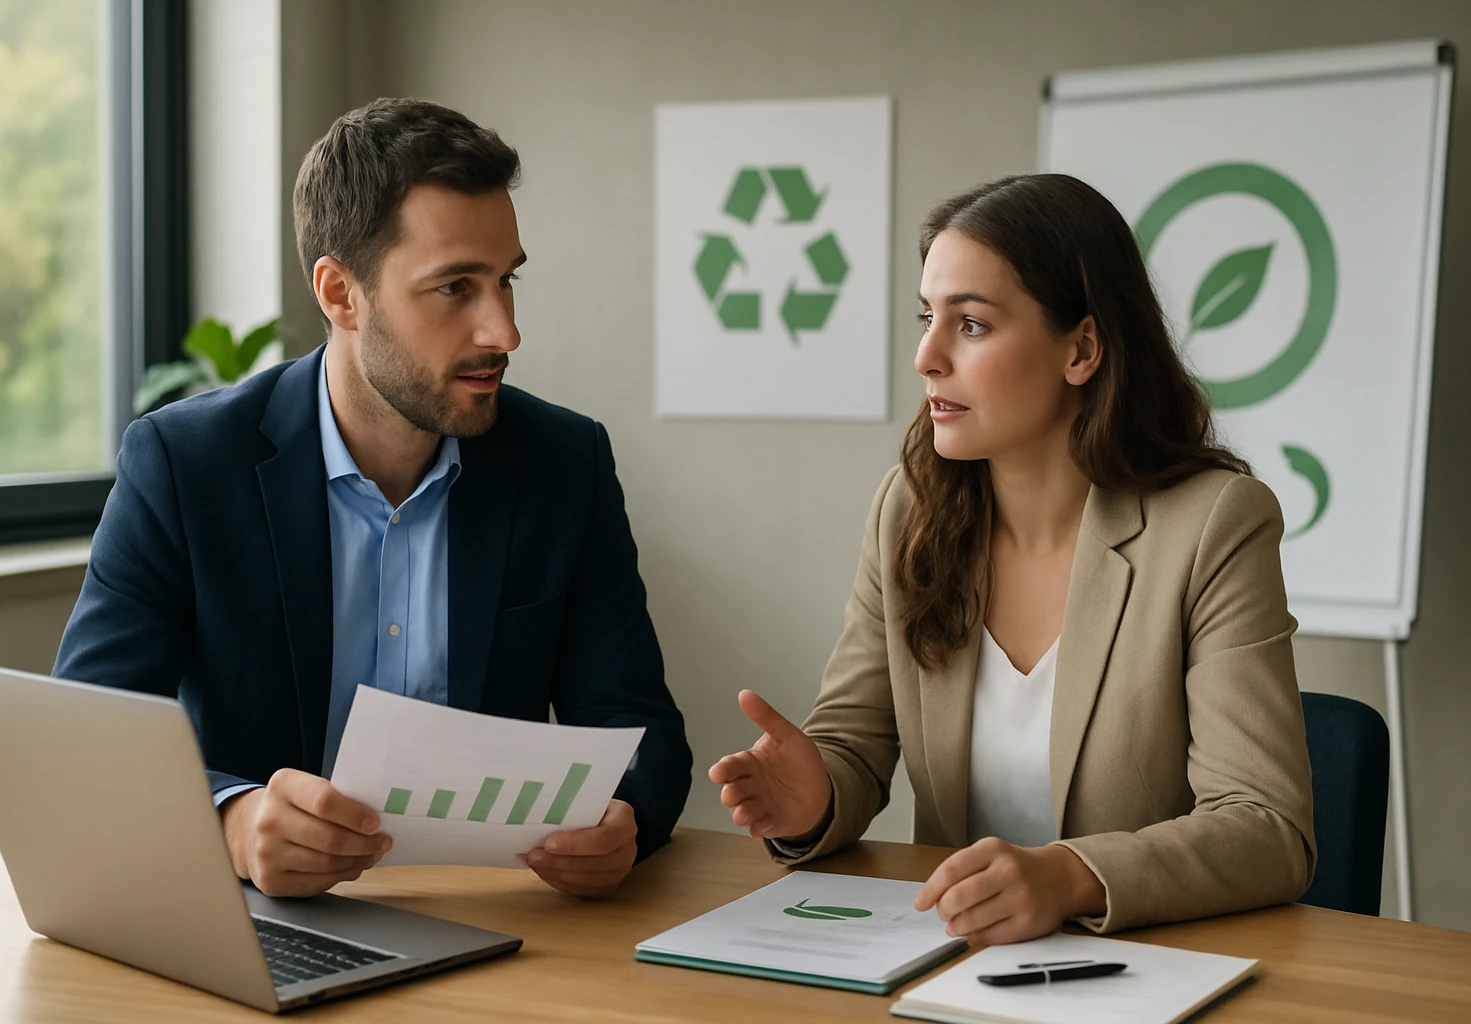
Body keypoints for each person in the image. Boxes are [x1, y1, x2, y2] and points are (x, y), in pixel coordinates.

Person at [54, 98, 691, 900]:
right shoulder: (185, 466)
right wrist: (233, 823)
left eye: (506, 281)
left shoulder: (565, 463)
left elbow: (643, 733)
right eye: (456, 287)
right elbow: (86, 742)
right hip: (257, 927)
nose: (505, 331)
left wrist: (625, 814)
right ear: (340, 294)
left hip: (491, 925)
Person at [710, 174, 1315, 945]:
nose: (927, 357)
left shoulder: (1213, 524)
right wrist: (815, 800)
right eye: (928, 318)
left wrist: (1066, 877)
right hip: (951, 961)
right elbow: (854, 746)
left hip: (1139, 969)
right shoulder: (907, 510)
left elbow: (1266, 827)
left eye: (971, 324)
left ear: (1083, 348)